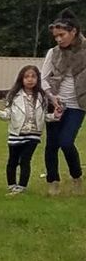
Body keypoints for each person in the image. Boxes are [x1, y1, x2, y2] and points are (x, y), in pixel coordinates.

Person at [41, 10, 85, 195]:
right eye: (56, 36)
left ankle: (77, 177)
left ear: (73, 31)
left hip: (78, 105)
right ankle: (53, 182)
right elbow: (43, 79)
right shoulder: (53, 53)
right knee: (51, 145)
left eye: (62, 35)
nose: (58, 39)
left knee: (66, 142)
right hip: (56, 103)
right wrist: (52, 97)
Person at [0, 65, 54, 195]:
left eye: (33, 76)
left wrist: (55, 116)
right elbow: (8, 115)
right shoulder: (14, 95)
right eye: (27, 77)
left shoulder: (42, 96)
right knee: (13, 160)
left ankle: (22, 186)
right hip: (16, 134)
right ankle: (11, 185)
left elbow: (44, 116)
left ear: (38, 79)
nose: (30, 80)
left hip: (33, 135)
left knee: (25, 160)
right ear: (21, 79)